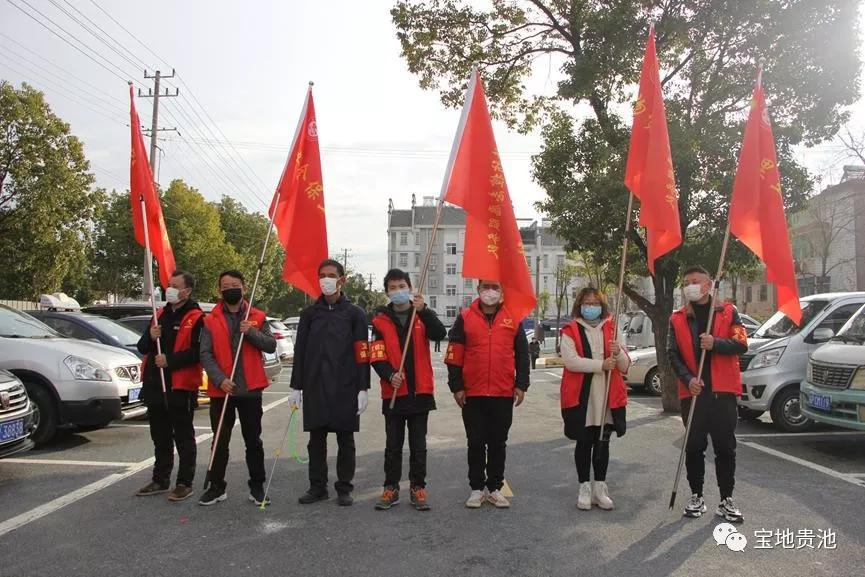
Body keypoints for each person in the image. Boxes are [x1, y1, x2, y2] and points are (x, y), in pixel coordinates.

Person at [668, 265, 748, 523]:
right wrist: (688, 379)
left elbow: (741, 343)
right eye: (686, 282)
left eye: (696, 280)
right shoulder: (677, 318)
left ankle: (726, 499)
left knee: (725, 448)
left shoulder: (728, 312)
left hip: (722, 393)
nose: (691, 285)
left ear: (708, 284)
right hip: (692, 394)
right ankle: (696, 495)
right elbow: (673, 355)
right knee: (693, 447)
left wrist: (716, 343)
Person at [290, 259, 371, 507]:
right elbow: (300, 350)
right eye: (322, 275)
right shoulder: (309, 315)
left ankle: (344, 488)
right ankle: (317, 487)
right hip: (315, 385)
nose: (326, 279)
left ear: (342, 279)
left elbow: (362, 352)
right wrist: (296, 386)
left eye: (331, 275)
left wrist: (363, 387)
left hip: (345, 386)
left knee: (345, 440)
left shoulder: (355, 314)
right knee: (316, 440)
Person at [446, 280, 530, 509]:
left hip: (503, 392)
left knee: (498, 443)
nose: (490, 292)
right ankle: (476, 489)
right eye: (486, 287)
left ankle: (494, 488)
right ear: (478, 290)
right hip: (473, 392)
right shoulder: (465, 317)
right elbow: (454, 355)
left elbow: (523, 354)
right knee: (475, 442)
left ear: (502, 291)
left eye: (495, 287)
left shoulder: (512, 317)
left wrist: (521, 384)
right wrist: (457, 386)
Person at [198, 269, 276, 507]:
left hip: (250, 389)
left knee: (253, 440)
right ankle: (216, 486)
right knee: (219, 440)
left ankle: (257, 487)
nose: (230, 288)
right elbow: (205, 353)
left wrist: (250, 331)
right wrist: (220, 379)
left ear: (243, 286)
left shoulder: (257, 316)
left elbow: (271, 346)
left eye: (235, 284)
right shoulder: (210, 320)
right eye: (225, 285)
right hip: (222, 390)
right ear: (219, 290)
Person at [370, 269, 446, 511]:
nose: (397, 291)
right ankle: (391, 487)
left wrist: (424, 310)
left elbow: (440, 334)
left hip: (420, 392)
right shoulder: (379, 320)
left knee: (418, 446)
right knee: (393, 445)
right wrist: (389, 374)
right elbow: (376, 355)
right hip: (393, 393)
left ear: (410, 287)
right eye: (392, 288)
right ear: (387, 292)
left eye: (401, 286)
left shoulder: (420, 315)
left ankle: (417, 487)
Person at [135, 270, 204, 502]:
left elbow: (198, 353)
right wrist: (152, 336)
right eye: (169, 285)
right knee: (160, 435)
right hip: (155, 384)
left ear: (187, 290)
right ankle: (160, 478)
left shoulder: (196, 317)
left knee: (183, 436)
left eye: (176, 285)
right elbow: (142, 347)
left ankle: (185, 482)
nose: (170, 289)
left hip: (180, 386)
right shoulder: (159, 313)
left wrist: (171, 361)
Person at [559, 288, 629, 511]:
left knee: (602, 441)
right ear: (579, 305)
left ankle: (600, 486)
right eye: (586, 302)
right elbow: (571, 361)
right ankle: (584, 486)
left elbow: (625, 366)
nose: (591, 307)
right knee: (584, 441)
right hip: (582, 395)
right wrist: (600, 365)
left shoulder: (612, 327)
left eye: (595, 302)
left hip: (608, 395)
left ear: (602, 305)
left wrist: (617, 353)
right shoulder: (570, 330)